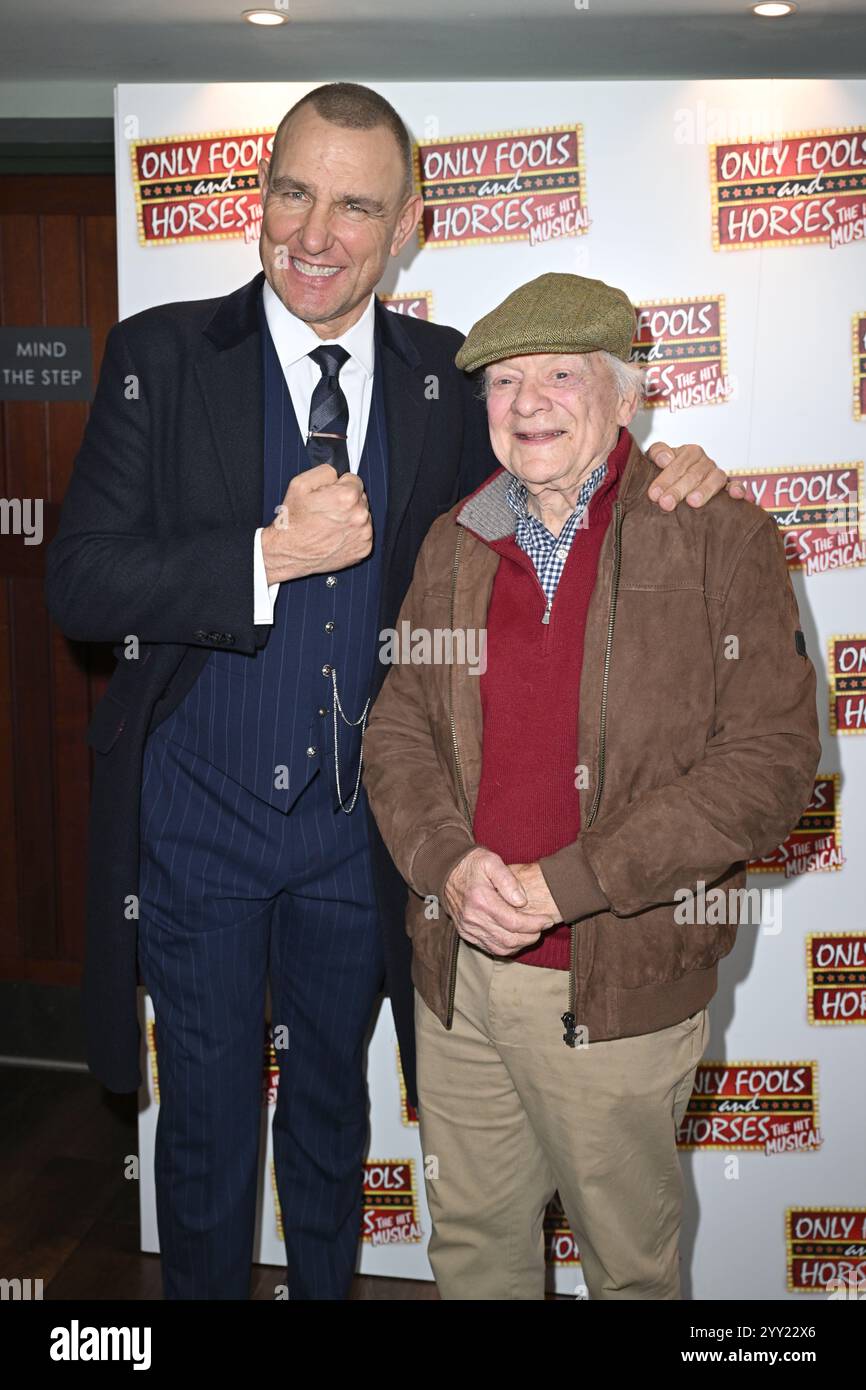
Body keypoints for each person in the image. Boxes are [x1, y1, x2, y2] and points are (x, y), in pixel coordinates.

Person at [46, 84, 736, 1300]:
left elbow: (561, 481)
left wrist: (668, 470)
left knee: (329, 1112)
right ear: (258, 191)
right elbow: (82, 585)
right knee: (202, 1123)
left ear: (407, 221)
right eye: (292, 191)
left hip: (364, 835)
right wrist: (261, 556)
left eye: (355, 204)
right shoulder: (157, 355)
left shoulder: (451, 379)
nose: (315, 232)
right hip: (196, 821)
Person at [362, 270, 821, 1300]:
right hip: (456, 978)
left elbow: (764, 767)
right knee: (473, 1250)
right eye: (503, 380)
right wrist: (450, 862)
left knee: (628, 1272)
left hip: (615, 992)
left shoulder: (715, 536)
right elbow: (395, 728)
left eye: (560, 375)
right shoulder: (453, 540)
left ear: (624, 393)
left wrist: (564, 882)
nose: (527, 402)